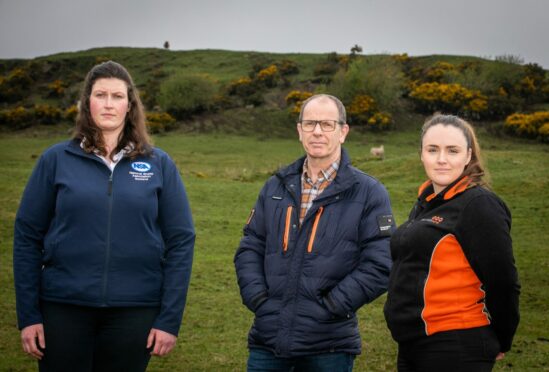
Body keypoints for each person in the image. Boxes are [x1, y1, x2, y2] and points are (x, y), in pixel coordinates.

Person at [13, 60, 196, 372]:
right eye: (100, 95)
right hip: (63, 307)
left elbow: (181, 240)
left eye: (117, 96)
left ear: (129, 105)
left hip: (135, 310)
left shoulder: (159, 164)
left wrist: (169, 319)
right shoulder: (56, 160)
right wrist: (29, 315)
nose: (108, 104)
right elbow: (27, 237)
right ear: (87, 103)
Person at [234, 94, 394, 371]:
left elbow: (381, 263)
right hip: (268, 340)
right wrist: (259, 299)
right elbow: (251, 245)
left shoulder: (370, 192)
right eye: (309, 124)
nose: (317, 131)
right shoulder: (275, 187)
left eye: (327, 124)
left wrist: (332, 306)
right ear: (299, 131)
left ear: (343, 132)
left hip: (329, 345)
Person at [383, 114, 520, 371]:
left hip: (455, 345)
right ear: (421, 154)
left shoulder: (477, 204)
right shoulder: (428, 201)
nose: (442, 159)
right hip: (414, 344)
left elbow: (503, 280)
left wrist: (501, 339)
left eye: (452, 150)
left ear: (468, 156)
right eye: (433, 150)